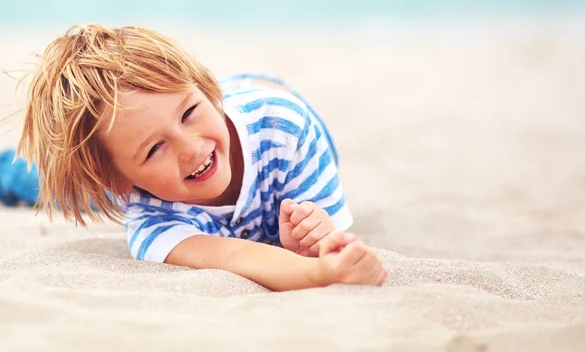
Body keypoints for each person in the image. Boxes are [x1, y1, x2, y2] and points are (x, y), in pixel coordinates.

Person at [14, 24, 387, 291]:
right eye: (155, 148)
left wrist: (319, 242)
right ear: (119, 179)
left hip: (258, 100)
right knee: (51, 184)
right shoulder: (151, 224)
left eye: (189, 112)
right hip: (135, 170)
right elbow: (237, 257)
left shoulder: (285, 130)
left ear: (206, 92)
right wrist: (319, 272)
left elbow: (331, 243)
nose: (190, 147)